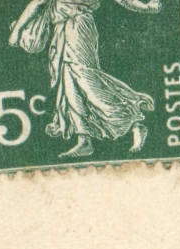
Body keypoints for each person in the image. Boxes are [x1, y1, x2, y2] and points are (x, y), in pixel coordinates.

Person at [9, 0, 161, 159]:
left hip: (77, 28)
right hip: (63, 28)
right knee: (70, 83)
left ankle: (132, 122)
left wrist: (16, 31)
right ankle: (84, 139)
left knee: (86, 81)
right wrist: (147, 7)